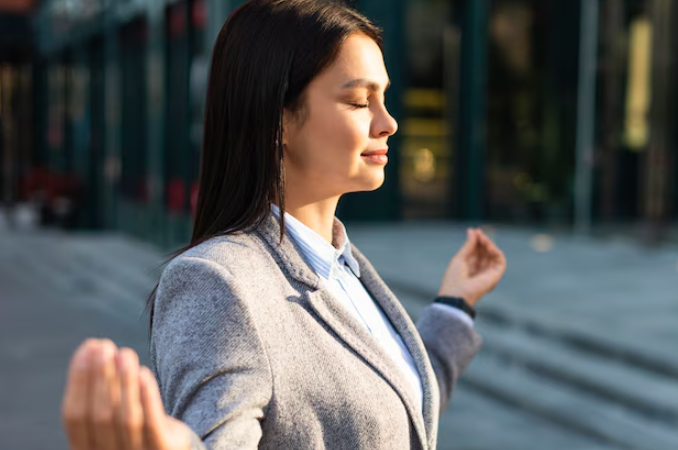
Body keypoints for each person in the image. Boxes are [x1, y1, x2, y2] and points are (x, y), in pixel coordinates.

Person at [60, 1, 506, 449]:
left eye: (384, 97)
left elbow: (391, 411)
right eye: (358, 101)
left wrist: (455, 304)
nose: (387, 122)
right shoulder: (216, 283)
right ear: (279, 120)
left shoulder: (341, 267)